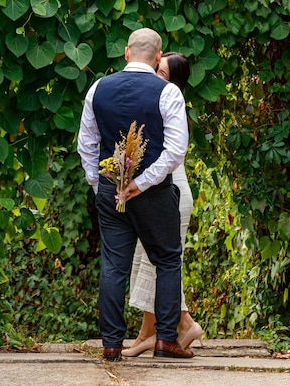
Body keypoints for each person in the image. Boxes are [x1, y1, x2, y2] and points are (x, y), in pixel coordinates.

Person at [77, 28, 194, 361]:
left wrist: (101, 184)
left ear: (127, 52)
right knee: (169, 259)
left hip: (111, 192)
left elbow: (86, 144)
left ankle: (112, 344)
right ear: (158, 57)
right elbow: (175, 151)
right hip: (153, 194)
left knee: (114, 265)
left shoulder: (98, 88)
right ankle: (166, 340)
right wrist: (143, 183)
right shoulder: (168, 92)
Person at [123, 52, 203, 357]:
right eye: (156, 70)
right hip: (158, 194)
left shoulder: (170, 104)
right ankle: (169, 328)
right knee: (150, 264)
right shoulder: (155, 101)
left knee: (158, 264)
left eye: (163, 74)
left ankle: (170, 329)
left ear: (175, 84)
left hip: (172, 195)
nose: (155, 76)